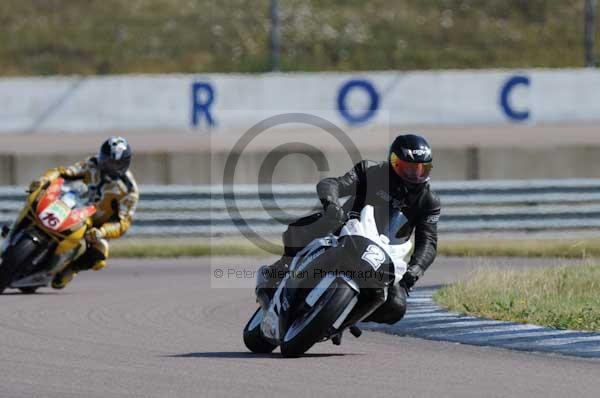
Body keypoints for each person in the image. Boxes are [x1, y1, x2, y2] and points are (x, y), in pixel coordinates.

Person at [256, 134, 441, 325]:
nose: (414, 175)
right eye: (407, 168)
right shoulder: (371, 171)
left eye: (420, 169)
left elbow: (428, 241)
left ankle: (345, 318)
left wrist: (416, 269)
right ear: (393, 162)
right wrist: (332, 205)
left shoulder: (429, 202)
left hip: (384, 255)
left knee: (396, 305)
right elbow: (332, 184)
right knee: (319, 223)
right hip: (347, 232)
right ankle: (280, 269)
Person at [28, 137, 139, 289]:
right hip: (72, 203)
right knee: (37, 197)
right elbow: (64, 172)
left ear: (125, 163)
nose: (108, 166)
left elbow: (123, 222)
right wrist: (45, 180)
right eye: (106, 160)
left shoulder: (129, 190)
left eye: (115, 164)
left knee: (99, 257)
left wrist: (102, 231)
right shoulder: (92, 163)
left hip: (94, 225)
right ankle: (17, 230)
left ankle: (70, 269)